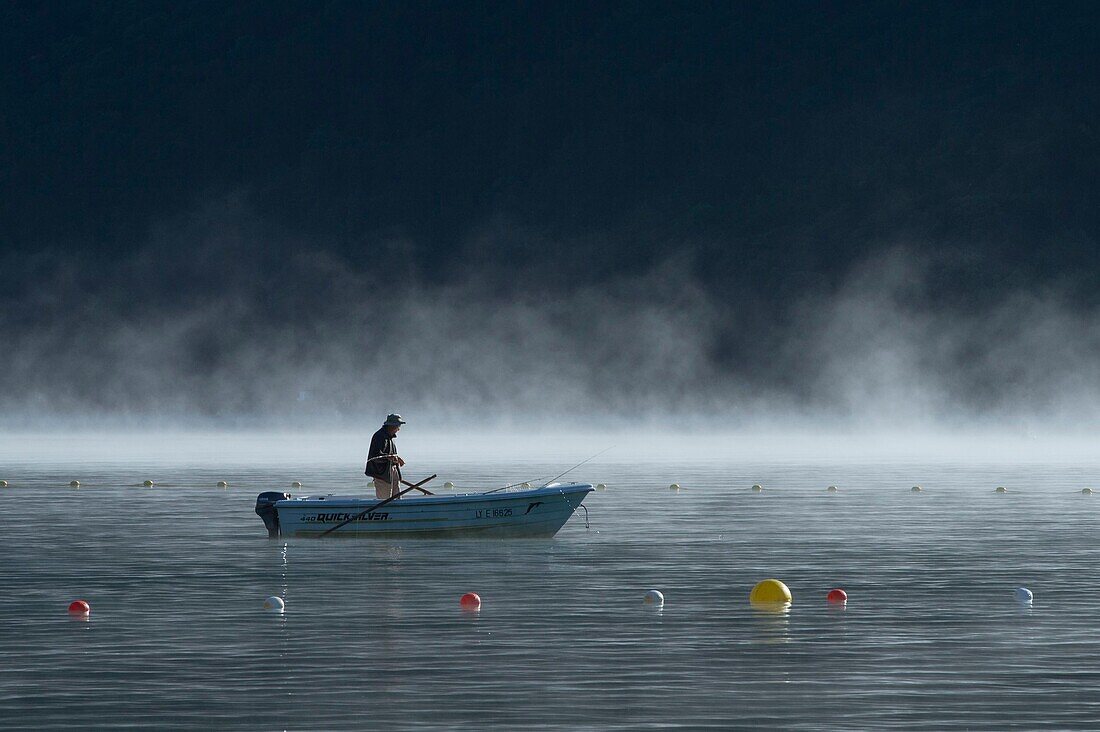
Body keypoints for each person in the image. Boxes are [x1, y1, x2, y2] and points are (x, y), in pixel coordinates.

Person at [365, 414, 407, 499]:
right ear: (391, 425)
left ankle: (397, 511)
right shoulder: (380, 436)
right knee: (385, 499)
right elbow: (376, 457)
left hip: (392, 472)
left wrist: (396, 459)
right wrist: (393, 458)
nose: (399, 429)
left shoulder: (390, 437)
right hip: (382, 474)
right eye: (398, 426)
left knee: (397, 497)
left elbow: (389, 455)